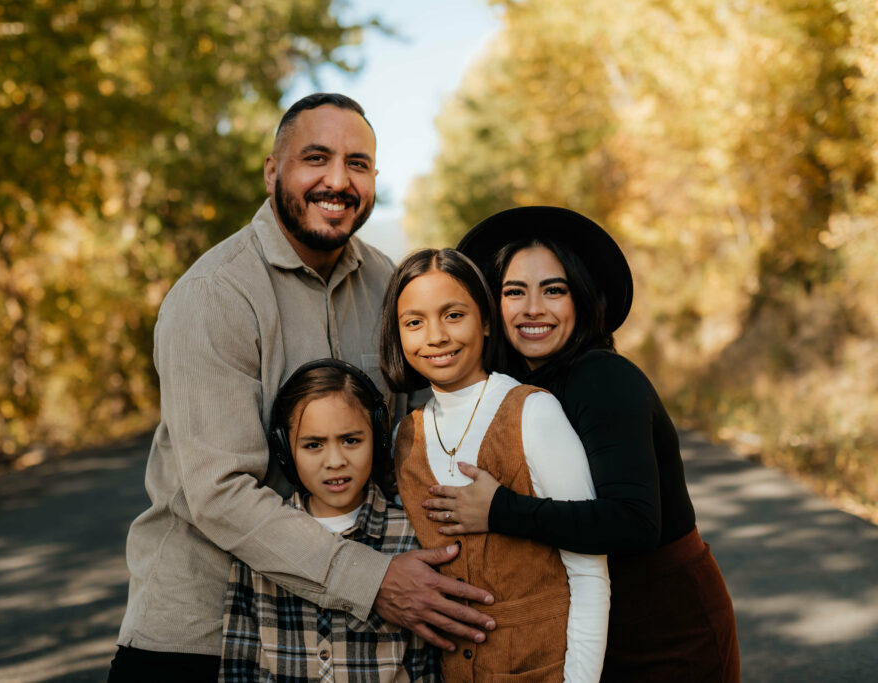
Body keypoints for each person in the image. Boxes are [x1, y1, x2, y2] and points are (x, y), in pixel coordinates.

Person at [109, 93, 495, 682]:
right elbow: (219, 492)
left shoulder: (391, 286)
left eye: (358, 164)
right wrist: (376, 581)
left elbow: (427, 437)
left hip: (354, 643)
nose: (338, 180)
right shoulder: (214, 295)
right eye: (316, 157)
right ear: (273, 171)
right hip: (207, 637)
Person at [432, 206, 739, 681]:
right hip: (586, 622)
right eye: (515, 292)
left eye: (554, 290)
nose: (533, 308)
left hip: (664, 626)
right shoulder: (516, 390)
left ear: (582, 299)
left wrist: (499, 510)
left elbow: (635, 522)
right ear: (494, 307)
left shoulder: (602, 377)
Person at [379, 248, 610, 682]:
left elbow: (588, 572)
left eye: (453, 315)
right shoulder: (404, 438)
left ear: (485, 321)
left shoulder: (532, 413)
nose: (436, 336)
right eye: (414, 322)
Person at [219, 358, 439, 681]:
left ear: (377, 440)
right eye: (313, 445)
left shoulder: (409, 534)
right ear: (285, 451)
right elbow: (239, 665)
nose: (335, 461)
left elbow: (427, 666)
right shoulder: (260, 544)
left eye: (351, 440)